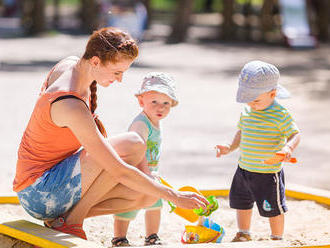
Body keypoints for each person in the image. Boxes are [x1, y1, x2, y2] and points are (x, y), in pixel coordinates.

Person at [13, 27, 208, 241]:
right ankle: (73, 221)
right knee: (132, 144)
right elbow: (119, 170)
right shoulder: (69, 104)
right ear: (95, 62)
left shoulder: (73, 65)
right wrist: (175, 196)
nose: (120, 79)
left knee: (145, 195)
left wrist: (157, 187)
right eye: (117, 72)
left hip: (52, 184)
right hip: (39, 193)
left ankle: (64, 220)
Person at [215, 60, 300, 242]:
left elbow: (295, 134)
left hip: (267, 173)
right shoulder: (247, 110)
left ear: (273, 94)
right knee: (241, 203)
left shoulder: (280, 114)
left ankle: (277, 237)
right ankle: (243, 232)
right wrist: (229, 147)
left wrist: (288, 147)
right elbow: (241, 132)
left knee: (273, 208)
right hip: (244, 169)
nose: (252, 104)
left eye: (256, 100)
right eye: (248, 99)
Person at [112, 72, 178, 246]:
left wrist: (152, 173)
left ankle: (152, 236)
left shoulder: (156, 121)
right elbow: (138, 147)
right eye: (154, 102)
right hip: (135, 172)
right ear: (141, 101)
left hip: (150, 174)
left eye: (166, 103)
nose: (160, 108)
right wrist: (147, 172)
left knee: (156, 205)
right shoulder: (141, 123)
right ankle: (119, 237)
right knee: (128, 206)